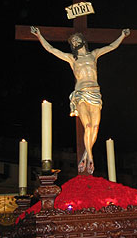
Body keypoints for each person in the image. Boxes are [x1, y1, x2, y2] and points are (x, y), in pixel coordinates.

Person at [30, 26, 130, 174]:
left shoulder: (94, 55)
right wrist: (39, 36)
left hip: (95, 93)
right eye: (73, 41)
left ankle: (85, 155)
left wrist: (122, 36)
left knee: (95, 127)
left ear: (83, 41)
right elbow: (52, 49)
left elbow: (111, 46)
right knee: (88, 125)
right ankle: (90, 158)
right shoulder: (72, 59)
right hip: (81, 94)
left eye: (77, 39)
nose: (75, 42)